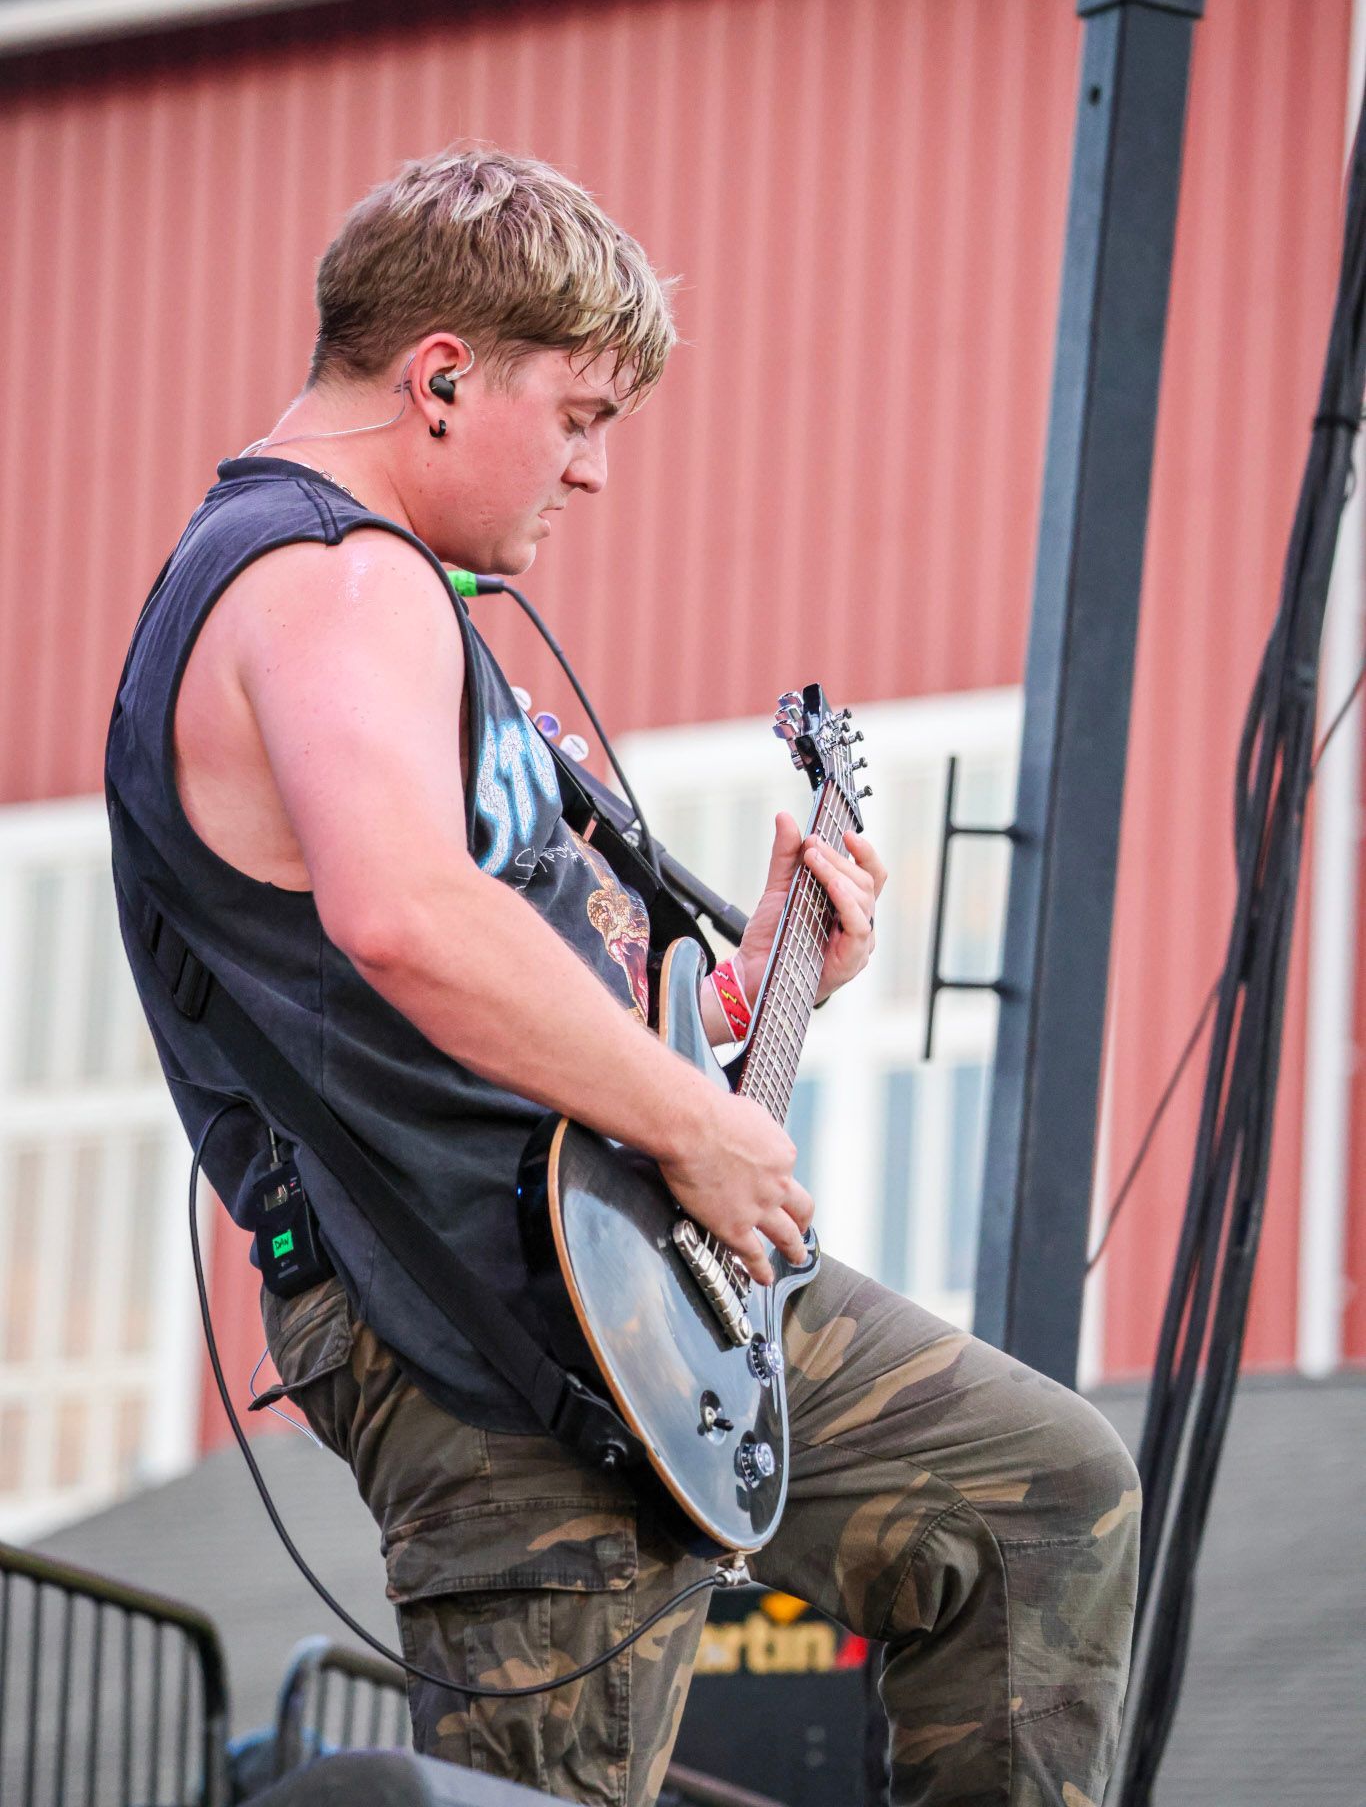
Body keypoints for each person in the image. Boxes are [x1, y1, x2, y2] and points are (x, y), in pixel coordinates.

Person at [107, 146, 1140, 1807]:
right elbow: (403, 919)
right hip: (466, 1304)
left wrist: (738, 1010)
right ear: (439, 378)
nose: (593, 475)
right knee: (548, 1788)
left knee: (1032, 1492)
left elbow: (481, 990)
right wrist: (702, 1122)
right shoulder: (326, 577)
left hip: (605, 1272)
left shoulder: (393, 602)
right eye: (580, 416)